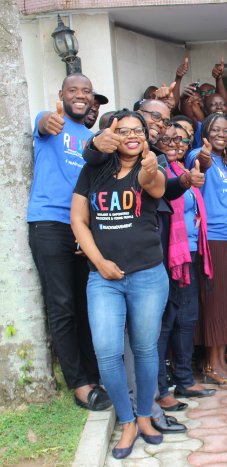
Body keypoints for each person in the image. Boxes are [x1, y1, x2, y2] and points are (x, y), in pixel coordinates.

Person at [70, 110, 168, 459]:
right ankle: (126, 422)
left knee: (144, 349)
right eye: (123, 131)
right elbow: (78, 219)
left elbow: (154, 184)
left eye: (138, 130)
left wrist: (151, 166)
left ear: (146, 136)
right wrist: (99, 262)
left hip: (147, 275)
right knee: (107, 352)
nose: (131, 136)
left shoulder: (150, 167)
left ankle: (144, 417)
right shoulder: (93, 170)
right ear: (112, 135)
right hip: (103, 279)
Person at [27, 73, 109, 412]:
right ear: (61, 94)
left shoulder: (92, 140)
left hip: (82, 228)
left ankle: (93, 374)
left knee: (84, 305)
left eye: (86, 91)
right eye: (73, 90)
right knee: (61, 305)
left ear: (92, 99)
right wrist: (49, 119)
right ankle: (79, 384)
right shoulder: (50, 124)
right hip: (49, 223)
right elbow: (43, 122)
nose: (80, 95)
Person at [184, 113, 227, 384]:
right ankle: (211, 366)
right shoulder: (199, 155)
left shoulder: (225, 162)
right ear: (205, 134)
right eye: (215, 130)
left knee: (226, 304)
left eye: (226, 131)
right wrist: (204, 155)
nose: (221, 134)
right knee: (214, 305)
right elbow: (200, 162)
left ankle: (220, 361)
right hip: (210, 240)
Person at [154, 124, 215, 410]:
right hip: (167, 256)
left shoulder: (181, 168)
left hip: (189, 252)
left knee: (187, 318)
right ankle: (160, 388)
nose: (174, 144)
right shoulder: (157, 171)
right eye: (166, 139)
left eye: (179, 139)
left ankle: (184, 380)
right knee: (166, 322)